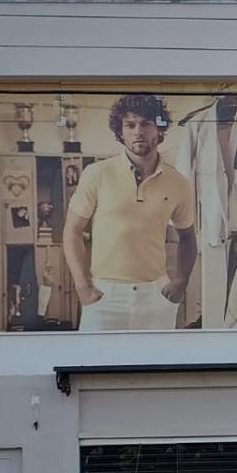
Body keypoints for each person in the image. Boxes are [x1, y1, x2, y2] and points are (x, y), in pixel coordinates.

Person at [63, 93, 198, 331]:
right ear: (121, 131)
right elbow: (72, 231)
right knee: (95, 357)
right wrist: (83, 286)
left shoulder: (178, 183)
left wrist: (181, 281)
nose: (138, 132)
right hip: (104, 297)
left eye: (146, 124)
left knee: (157, 358)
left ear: (159, 129)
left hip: (155, 297)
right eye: (130, 125)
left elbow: (187, 237)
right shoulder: (97, 174)